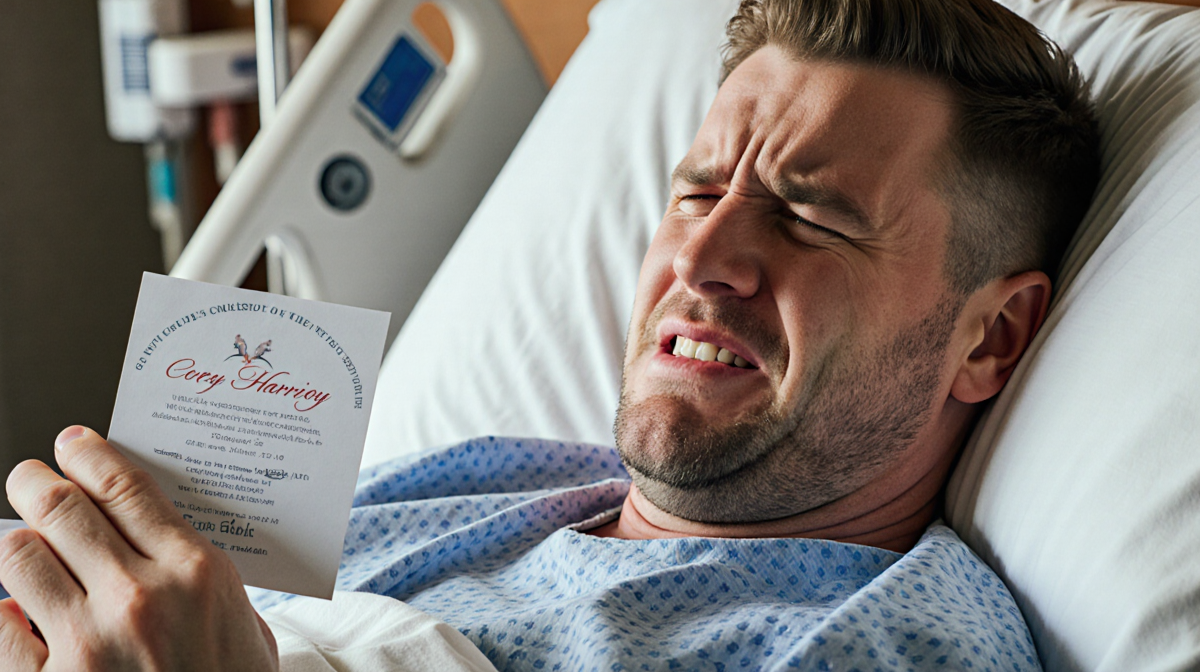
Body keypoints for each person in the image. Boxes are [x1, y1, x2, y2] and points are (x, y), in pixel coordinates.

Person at [0, 0, 1100, 669]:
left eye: (813, 216)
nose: (701, 261)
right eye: (696, 192)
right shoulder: (480, 484)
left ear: (991, 338)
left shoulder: (885, 642)